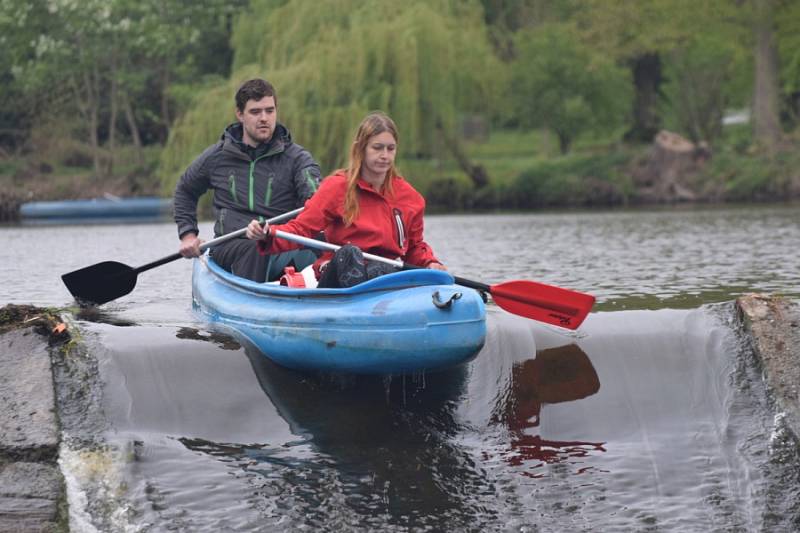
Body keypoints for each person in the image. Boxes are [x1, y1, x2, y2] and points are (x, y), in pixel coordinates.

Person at [245, 111, 446, 288]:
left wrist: (430, 263)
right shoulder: (336, 187)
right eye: (377, 148)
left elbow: (414, 247)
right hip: (339, 270)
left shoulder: (410, 198)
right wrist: (268, 234)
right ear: (361, 149)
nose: (384, 155)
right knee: (350, 253)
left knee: (380, 267)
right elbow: (302, 229)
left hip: (384, 271)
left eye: (390, 148)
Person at [173, 78, 321, 282]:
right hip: (233, 244)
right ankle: (252, 303)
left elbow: (316, 201)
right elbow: (185, 190)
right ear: (240, 114)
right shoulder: (217, 157)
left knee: (325, 241)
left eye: (270, 111)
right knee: (255, 248)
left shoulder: (297, 158)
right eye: (255, 112)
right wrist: (188, 235)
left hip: (282, 239)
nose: (264, 118)